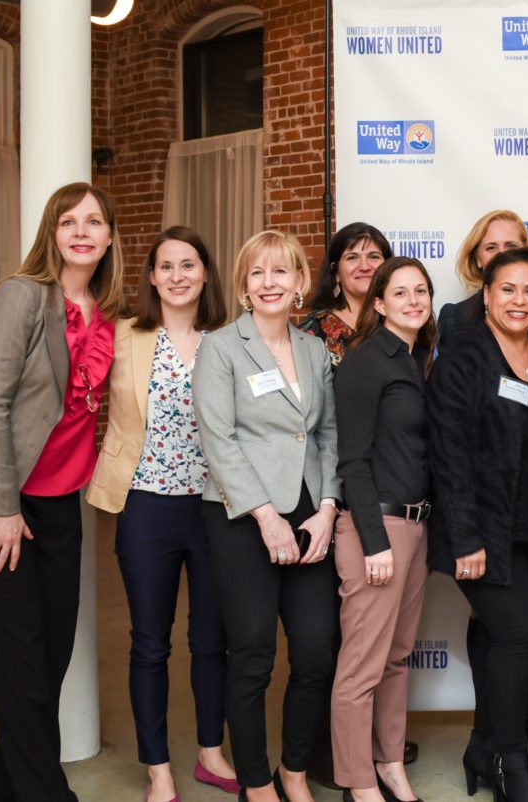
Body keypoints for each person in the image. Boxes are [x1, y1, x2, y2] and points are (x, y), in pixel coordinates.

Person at [0, 182, 124, 802]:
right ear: (52, 231)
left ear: (108, 236)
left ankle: (5, 793)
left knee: (51, 653)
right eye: (68, 220)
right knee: (20, 649)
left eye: (93, 221)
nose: (80, 231)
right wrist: (4, 509)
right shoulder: (23, 297)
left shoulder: (107, 311)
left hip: (59, 497)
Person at [87, 226, 238, 801]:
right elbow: (75, 395)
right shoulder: (123, 335)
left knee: (210, 639)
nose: (177, 275)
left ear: (205, 274)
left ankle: (209, 751)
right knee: (150, 641)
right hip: (145, 504)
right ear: (151, 277)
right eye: (166, 266)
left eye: (189, 265)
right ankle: (157, 768)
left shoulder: (227, 338)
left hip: (215, 508)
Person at [193, 229, 341, 802]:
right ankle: (256, 781)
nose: (269, 283)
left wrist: (327, 507)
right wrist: (266, 516)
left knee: (314, 651)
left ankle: (295, 773)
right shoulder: (223, 347)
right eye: (257, 273)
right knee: (253, 653)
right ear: (244, 285)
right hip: (240, 515)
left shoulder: (313, 350)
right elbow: (219, 438)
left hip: (309, 512)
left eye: (281, 272)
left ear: (301, 282)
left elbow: (327, 433)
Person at [427, 247, 528, 802]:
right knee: (514, 633)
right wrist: (466, 537)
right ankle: (510, 765)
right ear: (486, 294)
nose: (519, 300)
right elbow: (450, 454)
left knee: (494, 634)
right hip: (480, 531)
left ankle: (482, 747)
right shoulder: (465, 354)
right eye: (507, 289)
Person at [331, 257, 439, 802]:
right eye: (401, 293)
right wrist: (374, 542)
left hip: (415, 527)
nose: (414, 300)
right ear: (378, 303)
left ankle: (390, 762)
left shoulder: (421, 359)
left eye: (421, 290)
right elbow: (352, 461)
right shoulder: (364, 363)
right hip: (377, 529)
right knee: (362, 667)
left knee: (396, 658)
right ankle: (358, 782)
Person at [302, 222, 392, 366]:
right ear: (336, 272)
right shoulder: (313, 331)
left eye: (374, 257)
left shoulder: (399, 318)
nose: (364, 266)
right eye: (352, 257)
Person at [439, 210, 528, 339]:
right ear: (477, 259)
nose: (501, 255)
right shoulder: (454, 316)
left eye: (511, 246)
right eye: (491, 247)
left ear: (527, 253)